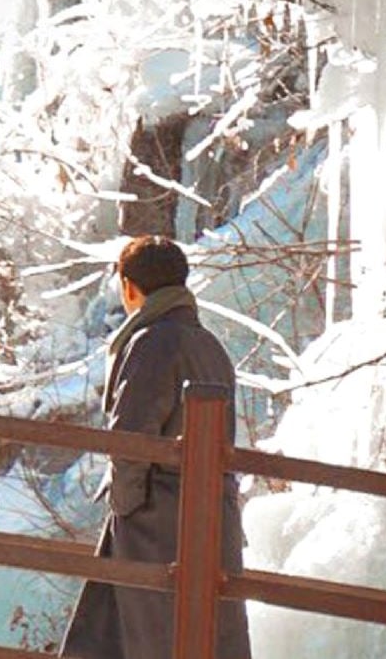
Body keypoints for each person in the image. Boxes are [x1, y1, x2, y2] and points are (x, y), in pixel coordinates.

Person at [58, 237, 252, 659]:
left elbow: (130, 437)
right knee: (196, 636)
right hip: (208, 517)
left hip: (158, 523)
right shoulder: (207, 343)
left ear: (130, 287)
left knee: (148, 638)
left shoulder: (152, 341)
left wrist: (125, 507)